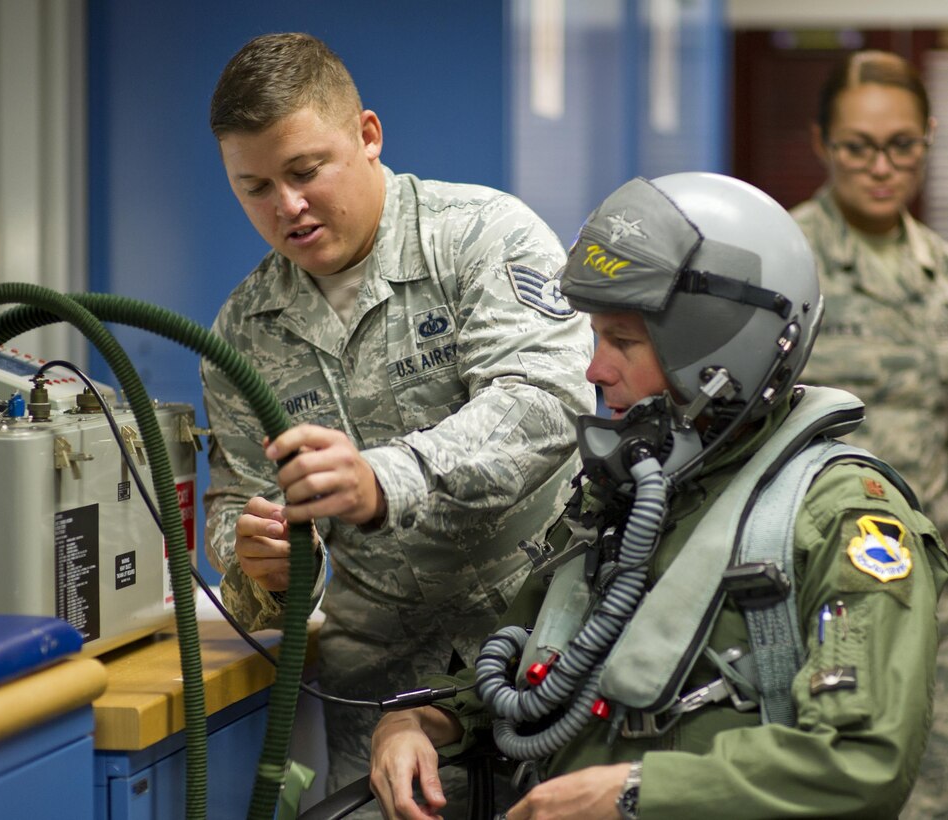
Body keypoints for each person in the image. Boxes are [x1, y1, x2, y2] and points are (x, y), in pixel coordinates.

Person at [369, 172, 948, 819]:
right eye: (596, 338)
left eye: (623, 341)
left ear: (722, 355)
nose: (595, 370)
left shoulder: (839, 515)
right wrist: (421, 721)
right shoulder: (625, 492)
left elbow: (860, 762)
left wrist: (635, 793)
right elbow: (528, 665)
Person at [200, 31, 595, 803]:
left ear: (368, 136)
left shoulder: (479, 235)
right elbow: (233, 502)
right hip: (380, 697)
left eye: (305, 171)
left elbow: (548, 402)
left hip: (541, 656)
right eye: (254, 187)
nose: (287, 206)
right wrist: (254, 557)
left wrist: (385, 479)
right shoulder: (242, 331)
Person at [789, 50, 948, 819]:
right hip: (823, 590)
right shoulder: (784, 266)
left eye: (901, 145)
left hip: (934, 593)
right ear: (821, 143)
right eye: (858, 146)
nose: (881, 168)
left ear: (927, 139)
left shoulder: (938, 269)